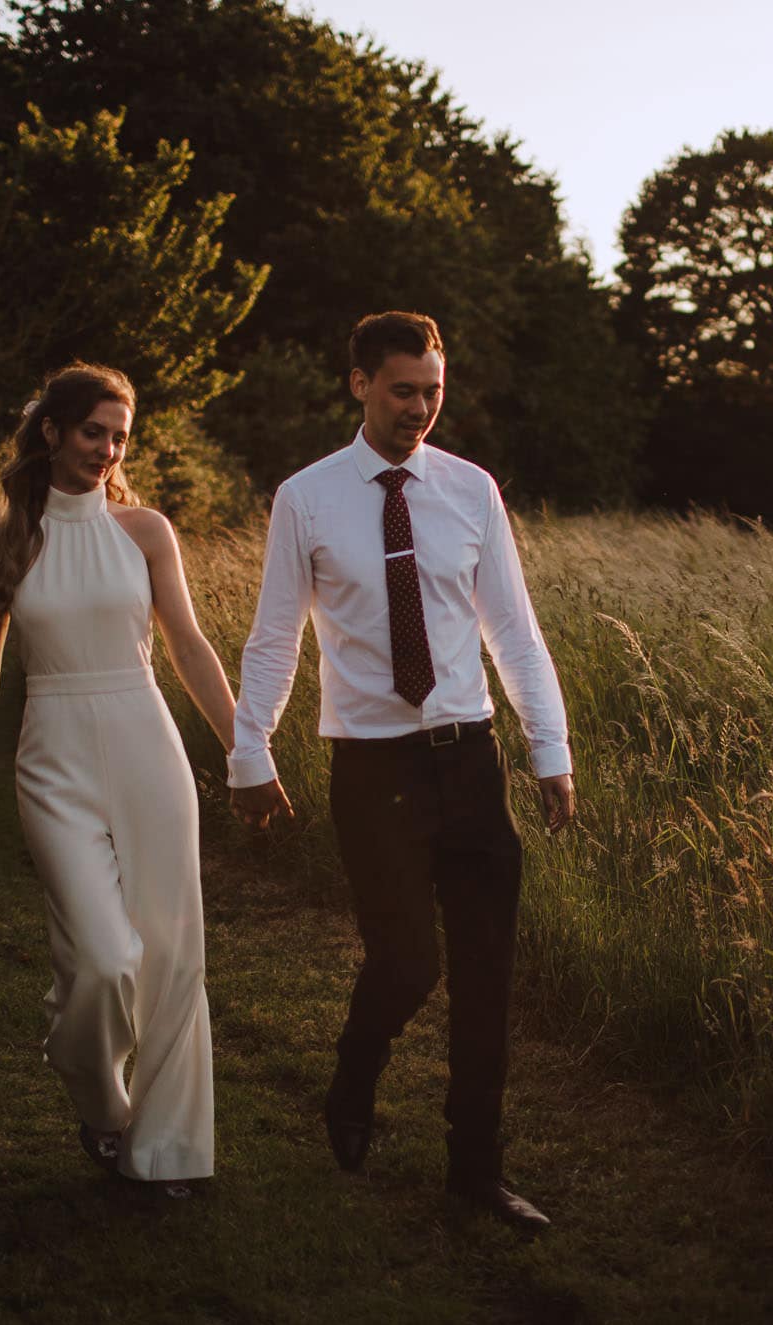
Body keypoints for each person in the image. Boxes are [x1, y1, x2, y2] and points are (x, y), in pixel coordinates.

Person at [228, 312, 575, 1232]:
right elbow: (276, 635)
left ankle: (477, 1169)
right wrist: (250, 747)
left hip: (471, 758)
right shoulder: (306, 497)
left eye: (433, 391)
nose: (420, 408)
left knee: (486, 973)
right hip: (371, 767)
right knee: (408, 962)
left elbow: (514, 630)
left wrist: (550, 747)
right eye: (402, 390)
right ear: (358, 385)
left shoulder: (471, 491)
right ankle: (355, 1074)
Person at [0, 362, 236, 1197]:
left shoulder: (146, 530)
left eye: (120, 437)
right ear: (51, 432)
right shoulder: (6, 541)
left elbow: (185, 643)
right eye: (92, 433)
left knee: (173, 954)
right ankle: (99, 1101)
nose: (108, 451)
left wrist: (243, 748)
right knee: (106, 959)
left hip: (147, 743)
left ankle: (169, 1150)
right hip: (53, 754)